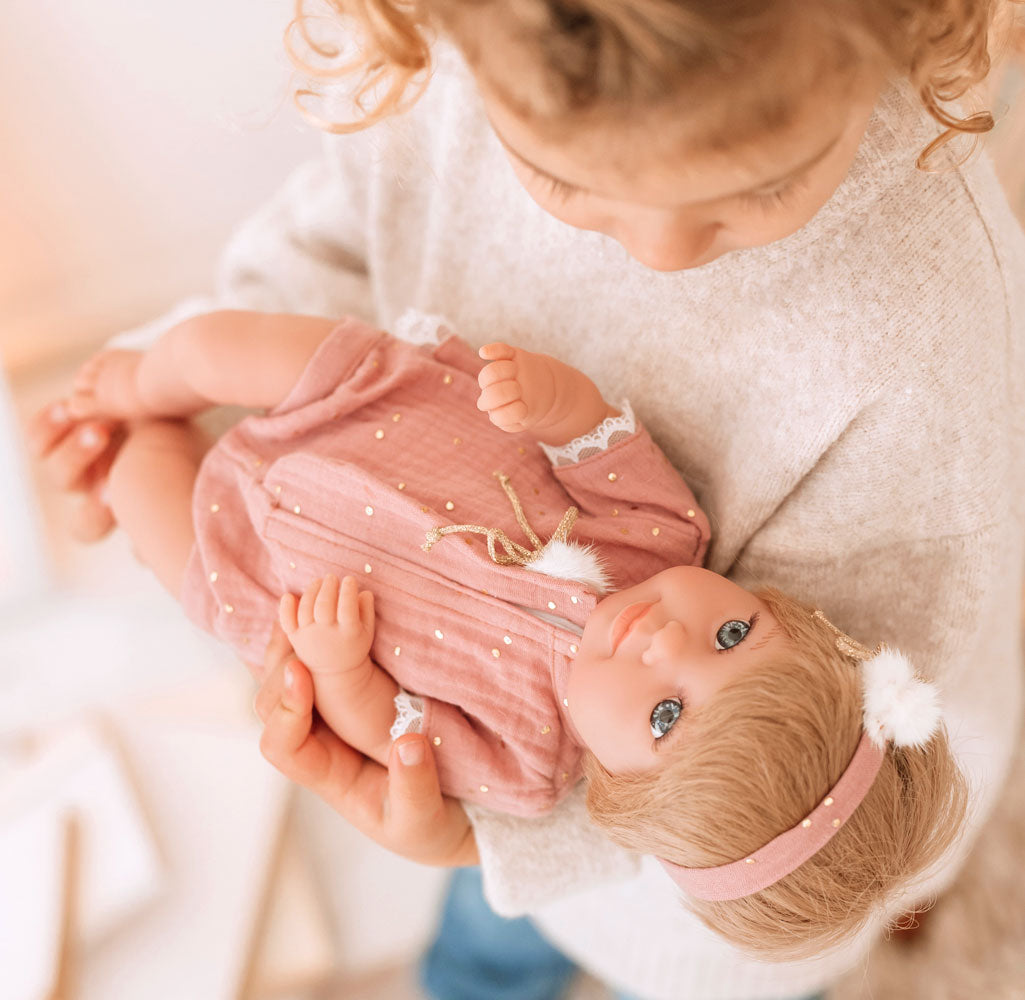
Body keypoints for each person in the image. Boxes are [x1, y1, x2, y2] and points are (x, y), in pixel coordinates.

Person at [29, 0, 1025, 997]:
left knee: (518, 938)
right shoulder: (455, 59)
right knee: (486, 933)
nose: (660, 248)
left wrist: (478, 840)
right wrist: (159, 393)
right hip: (342, 479)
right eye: (561, 175)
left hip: (660, 885)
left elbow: (824, 742)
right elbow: (332, 237)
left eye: (762, 186)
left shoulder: (917, 339)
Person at [63, 304, 966, 960]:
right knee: (215, 348)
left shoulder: (525, 764)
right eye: (731, 635)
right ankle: (143, 380)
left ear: (619, 792)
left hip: (270, 575)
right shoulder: (657, 533)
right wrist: (557, 403)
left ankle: (124, 442)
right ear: (780, 606)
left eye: (664, 716)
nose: (664, 641)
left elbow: (398, 733)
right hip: (364, 411)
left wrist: (340, 669)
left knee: (148, 498)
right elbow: (597, 439)